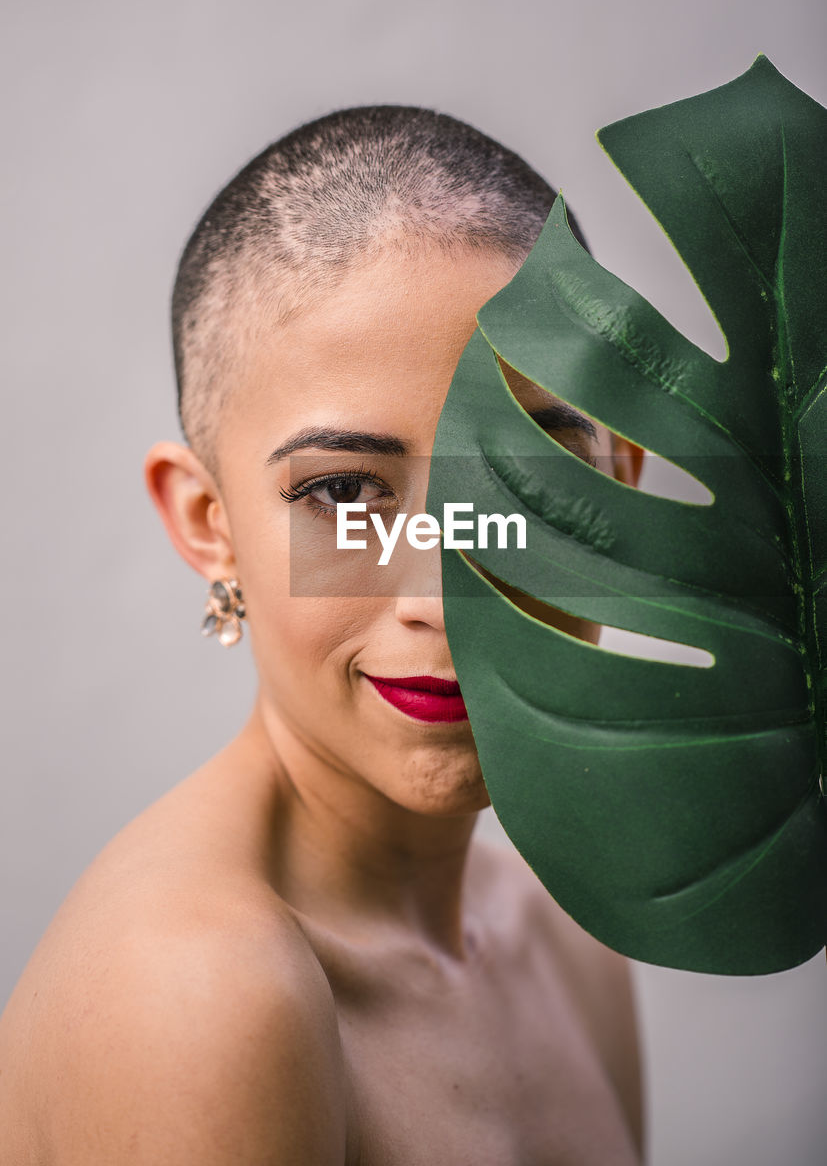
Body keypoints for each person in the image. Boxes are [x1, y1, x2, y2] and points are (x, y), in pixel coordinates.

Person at [0, 105, 646, 1163]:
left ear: (621, 479)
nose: (441, 594)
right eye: (343, 490)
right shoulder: (198, 998)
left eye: (528, 475)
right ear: (209, 524)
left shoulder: (560, 923)